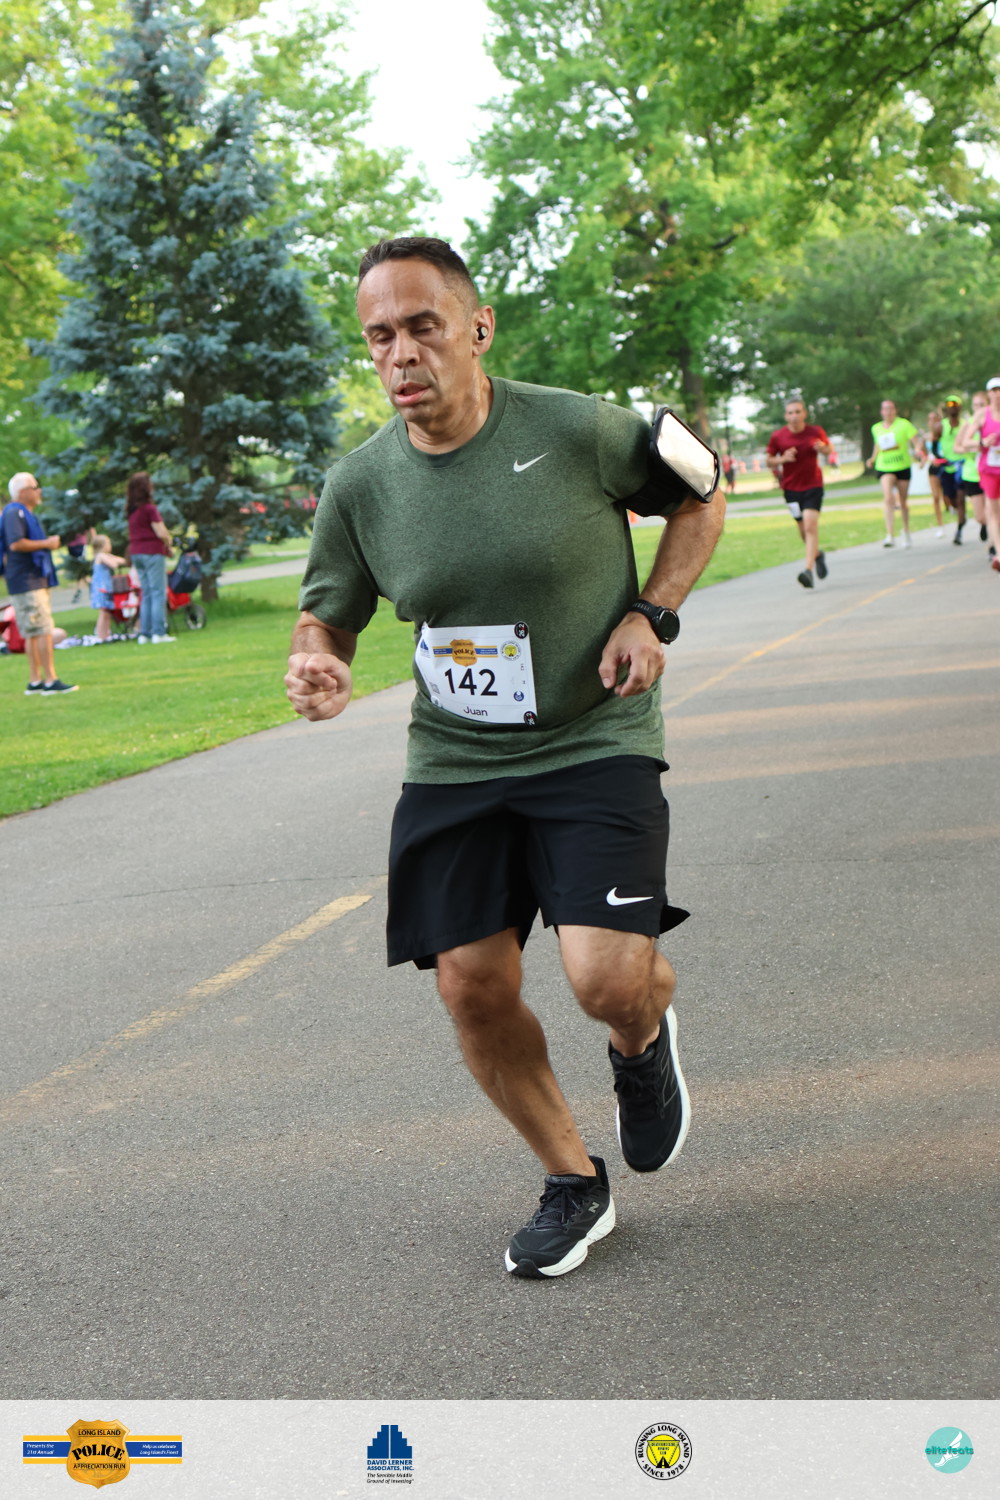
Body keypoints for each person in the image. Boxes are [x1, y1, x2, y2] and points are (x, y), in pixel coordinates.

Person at [285, 236, 725, 1279]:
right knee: (469, 985)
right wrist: (317, 660)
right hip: (455, 762)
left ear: (477, 329)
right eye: (379, 336)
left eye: (422, 327)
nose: (401, 354)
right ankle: (573, 1182)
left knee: (605, 979)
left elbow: (702, 492)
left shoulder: (578, 429)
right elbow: (326, 615)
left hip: (594, 736)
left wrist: (651, 612)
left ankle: (640, 1040)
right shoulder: (361, 486)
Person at [0, 472, 77, 694]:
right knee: (42, 630)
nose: (39, 491)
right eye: (35, 487)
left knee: (33, 632)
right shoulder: (15, 512)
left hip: (28, 580)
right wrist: (47, 543)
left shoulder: (19, 512)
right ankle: (50, 680)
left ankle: (35, 682)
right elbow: (16, 543)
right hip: (27, 580)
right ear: (23, 492)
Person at [765, 398, 832, 588]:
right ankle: (817, 555)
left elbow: (829, 449)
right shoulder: (778, 436)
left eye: (797, 411)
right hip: (791, 489)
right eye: (790, 413)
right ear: (786, 416)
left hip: (813, 485)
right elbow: (769, 460)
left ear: (804, 414)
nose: (794, 416)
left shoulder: (815, 431)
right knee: (803, 532)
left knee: (810, 527)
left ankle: (808, 571)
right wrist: (783, 459)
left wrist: (823, 448)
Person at [865, 400, 927, 548]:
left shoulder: (904, 424)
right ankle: (889, 534)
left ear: (895, 410)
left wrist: (919, 454)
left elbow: (916, 442)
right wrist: (872, 459)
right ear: (881, 412)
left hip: (902, 466)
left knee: (903, 502)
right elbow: (877, 445)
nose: (888, 412)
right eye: (885, 409)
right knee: (888, 498)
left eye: (891, 409)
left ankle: (906, 530)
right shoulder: (876, 428)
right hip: (884, 466)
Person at [956, 376, 1000, 573]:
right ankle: (998, 552)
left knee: (995, 512)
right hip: (987, 470)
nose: (997, 394)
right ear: (989, 393)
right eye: (994, 390)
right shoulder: (982, 415)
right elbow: (963, 442)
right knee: (991, 512)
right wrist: (982, 443)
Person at [126, 471, 175, 643]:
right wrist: (169, 543)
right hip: (152, 552)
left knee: (145, 593)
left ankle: (144, 633)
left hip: (137, 553)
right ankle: (159, 633)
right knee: (158, 592)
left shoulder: (132, 511)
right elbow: (161, 532)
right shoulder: (149, 509)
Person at [955, 391, 989, 548]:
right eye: (975, 405)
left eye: (982, 405)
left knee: (993, 509)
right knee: (980, 516)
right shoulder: (968, 425)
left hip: (990, 472)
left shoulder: (993, 421)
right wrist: (975, 447)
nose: (978, 408)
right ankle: (987, 524)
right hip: (972, 474)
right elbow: (957, 447)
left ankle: (994, 548)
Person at [90, 534, 128, 641]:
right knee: (104, 611)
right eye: (108, 543)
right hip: (101, 588)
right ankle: (101, 635)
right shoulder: (101, 556)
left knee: (107, 611)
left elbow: (122, 560)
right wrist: (115, 560)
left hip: (106, 586)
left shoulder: (105, 555)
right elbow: (114, 564)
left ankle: (105, 633)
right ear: (103, 545)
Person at [923, 409, 948, 536]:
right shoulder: (926, 437)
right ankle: (940, 525)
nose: (932, 422)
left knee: (947, 495)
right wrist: (923, 460)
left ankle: (952, 507)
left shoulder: (945, 434)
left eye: (935, 419)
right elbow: (924, 453)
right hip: (933, 468)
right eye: (930, 419)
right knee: (935, 497)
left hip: (946, 466)